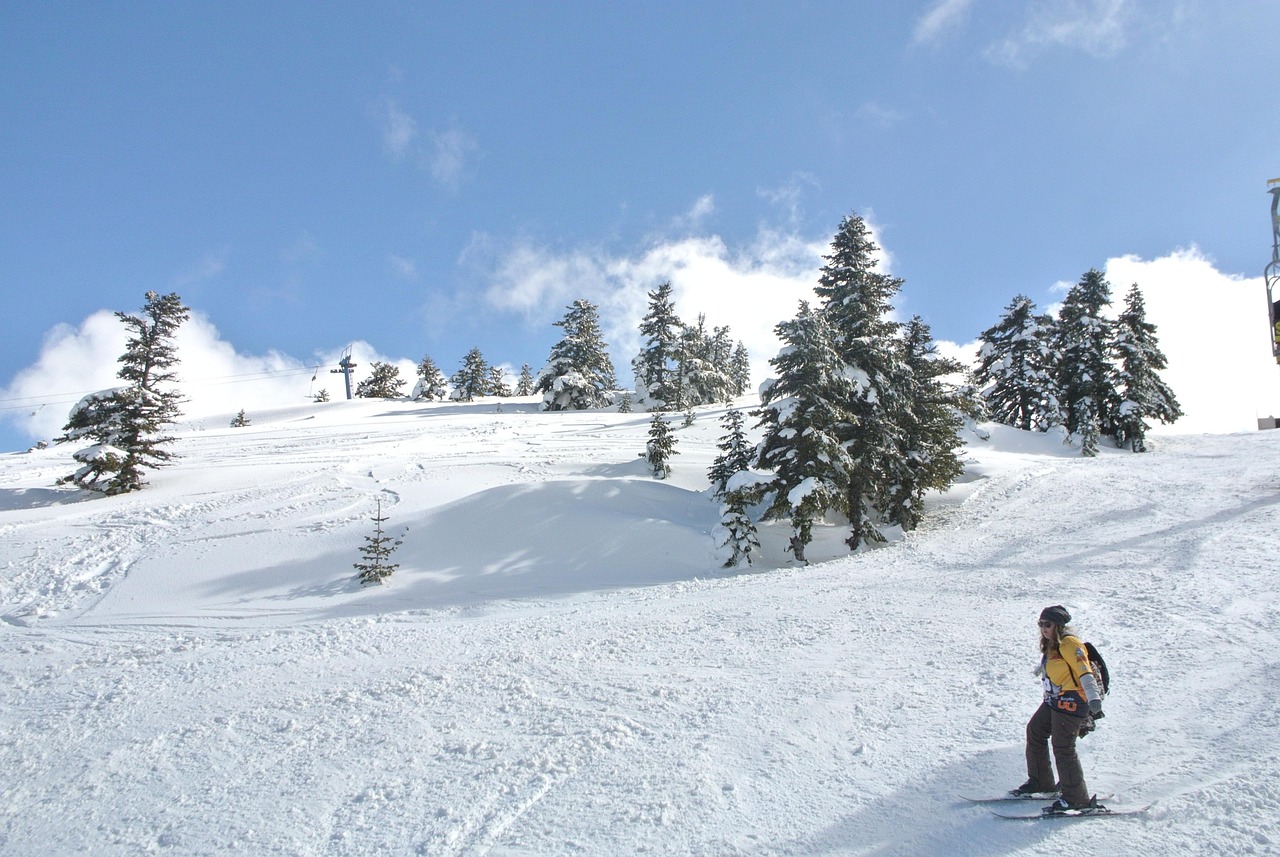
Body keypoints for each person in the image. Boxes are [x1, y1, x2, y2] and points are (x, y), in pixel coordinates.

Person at [1009, 605, 1105, 811]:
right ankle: (1042, 782)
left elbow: (1084, 670)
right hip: (1055, 700)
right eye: (1040, 624)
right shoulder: (1053, 645)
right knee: (1035, 731)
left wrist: (1093, 698)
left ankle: (1077, 798)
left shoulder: (1070, 643)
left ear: (1059, 625)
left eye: (1048, 624)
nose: (1043, 628)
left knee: (1063, 747)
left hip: (1072, 702)